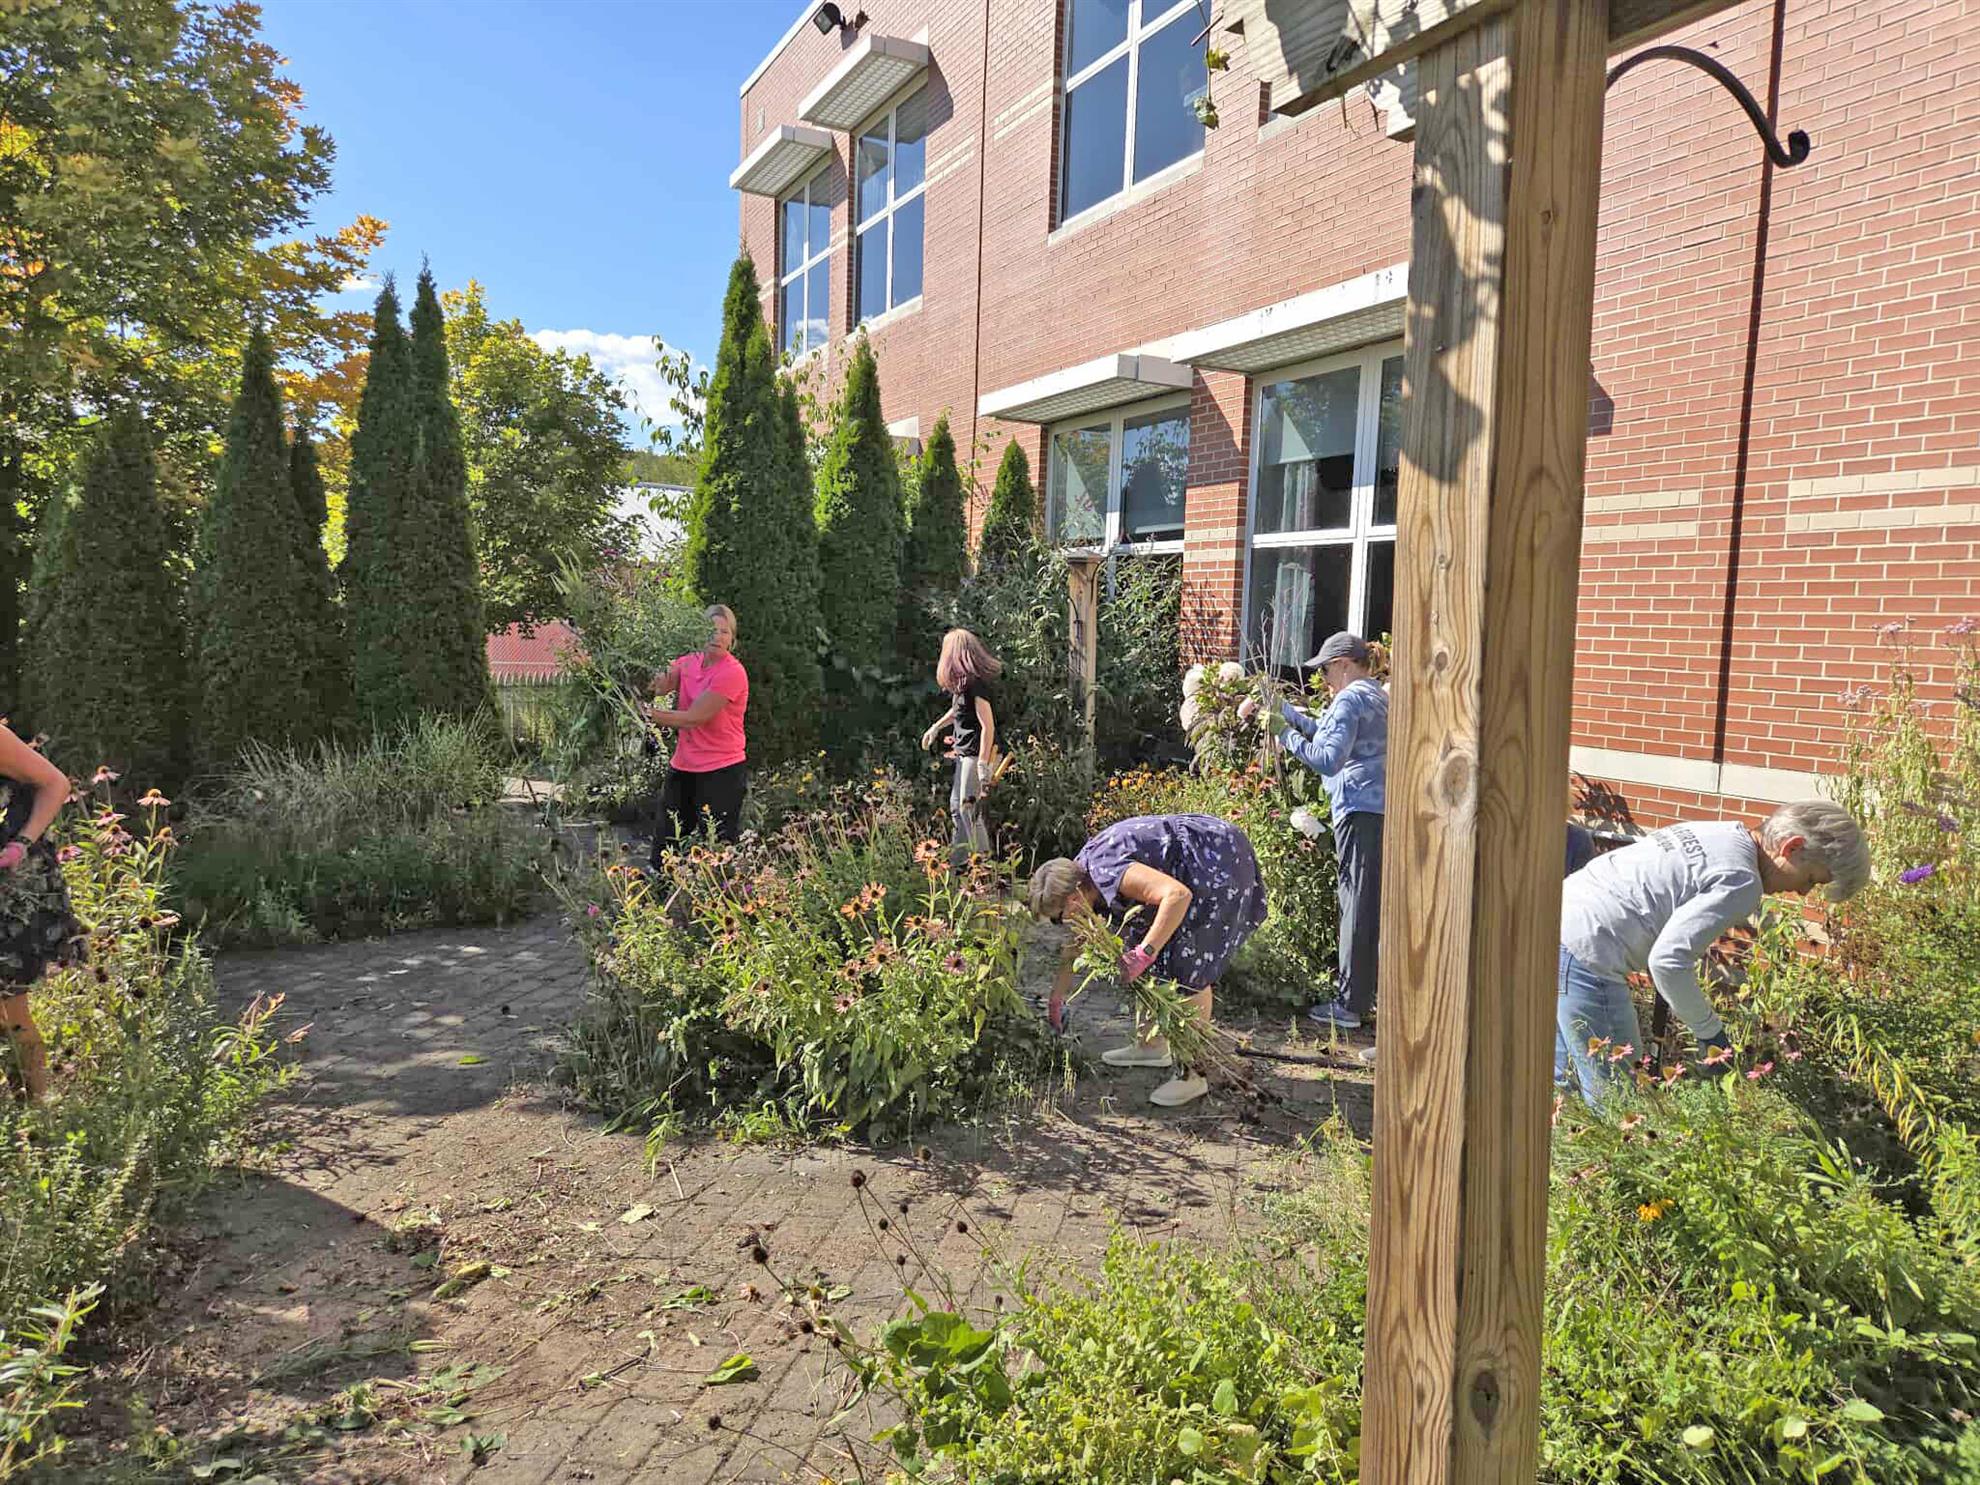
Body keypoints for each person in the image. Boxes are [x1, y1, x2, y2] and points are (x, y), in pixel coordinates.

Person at [1555, 799, 1870, 1104]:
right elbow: (1668, 962)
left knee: (1560, 1090)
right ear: (1792, 847)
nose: (1803, 892)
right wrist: (1712, 1036)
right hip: (1589, 951)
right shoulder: (1742, 879)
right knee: (1618, 1102)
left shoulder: (1720, 832)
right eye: (1812, 879)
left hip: (1552, 923)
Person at [1028, 814, 1268, 1109]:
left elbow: (1177, 895)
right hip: (1191, 865)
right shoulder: (1079, 875)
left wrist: (1144, 953)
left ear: (1073, 899)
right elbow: (1074, 945)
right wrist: (1056, 999)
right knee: (1141, 940)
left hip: (1215, 862)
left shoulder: (1106, 870)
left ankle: (1193, 1073)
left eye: (1057, 916)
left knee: (1188, 966)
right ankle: (1151, 1046)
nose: (1060, 922)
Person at [1241, 632, 1388, 1040]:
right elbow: (1324, 732)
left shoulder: (1350, 698)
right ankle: (1361, 996)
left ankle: (1350, 1006)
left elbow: (1326, 758)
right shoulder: (1374, 693)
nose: (1322, 678)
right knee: (1363, 901)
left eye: (1324, 669)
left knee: (1355, 903)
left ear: (1343, 663)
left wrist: (1281, 732)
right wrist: (1283, 710)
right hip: (1375, 810)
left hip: (1360, 809)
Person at [0, 725, 84, 1103]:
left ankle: (36, 1111)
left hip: (11, 887)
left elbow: (56, 783)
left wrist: (20, 843)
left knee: (12, 1006)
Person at [646, 604, 749, 864]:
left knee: (718, 848)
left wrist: (651, 716)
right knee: (666, 841)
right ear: (698, 632)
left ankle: (723, 901)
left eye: (724, 632)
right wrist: (637, 675)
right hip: (683, 767)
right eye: (711, 630)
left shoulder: (732, 673)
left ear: (732, 639)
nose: (717, 636)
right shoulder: (688, 662)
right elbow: (659, 685)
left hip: (721, 771)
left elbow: (694, 718)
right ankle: (660, 896)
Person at [921, 629, 1000, 868]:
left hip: (974, 756)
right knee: (957, 810)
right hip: (964, 755)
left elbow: (988, 726)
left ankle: (984, 869)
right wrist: (936, 727)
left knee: (968, 811)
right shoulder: (962, 686)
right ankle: (957, 865)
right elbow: (956, 712)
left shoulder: (977, 686)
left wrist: (984, 763)